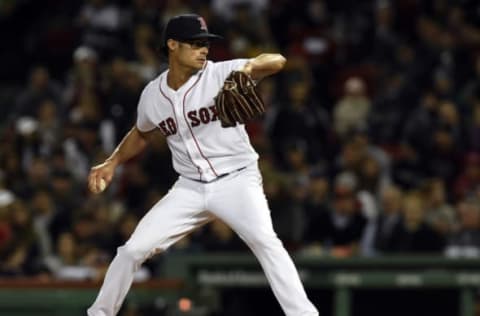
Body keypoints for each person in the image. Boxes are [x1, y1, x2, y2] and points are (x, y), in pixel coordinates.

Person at [86, 14, 319, 316]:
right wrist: (112, 161)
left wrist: (248, 68)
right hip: (189, 188)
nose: (204, 50)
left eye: (206, 44)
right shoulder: (152, 95)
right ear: (172, 45)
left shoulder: (221, 73)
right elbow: (142, 132)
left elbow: (277, 60)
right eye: (195, 44)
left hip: (237, 180)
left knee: (265, 241)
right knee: (132, 250)